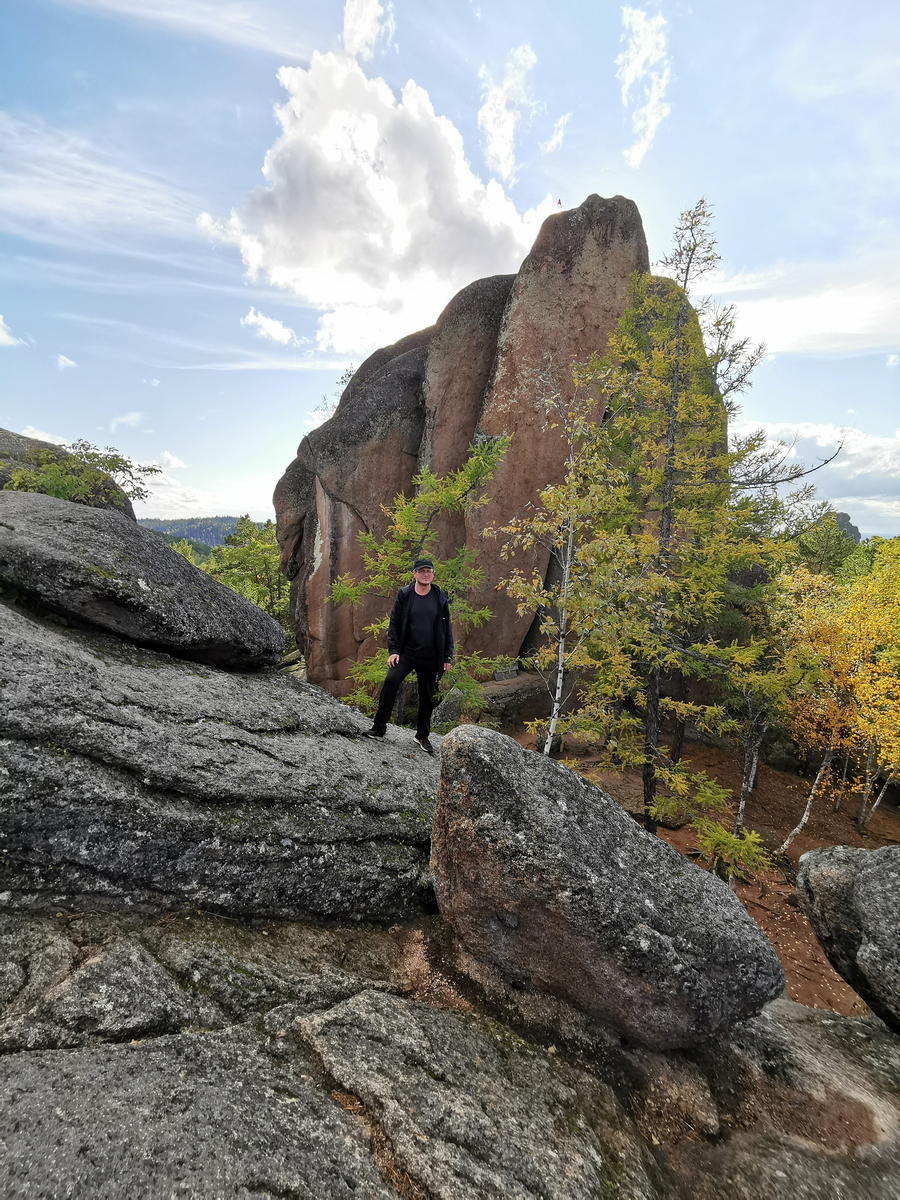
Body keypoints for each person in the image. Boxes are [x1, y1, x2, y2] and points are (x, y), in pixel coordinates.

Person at [364, 557, 453, 754]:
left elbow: (446, 628)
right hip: (407, 653)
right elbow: (394, 623)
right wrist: (393, 651)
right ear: (414, 574)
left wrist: (447, 657)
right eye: (421, 571)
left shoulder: (439, 596)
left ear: (433, 573)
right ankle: (379, 728)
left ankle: (422, 737)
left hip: (430, 656)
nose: (425, 574)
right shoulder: (405, 594)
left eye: (429, 570)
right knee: (391, 681)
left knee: (426, 696)